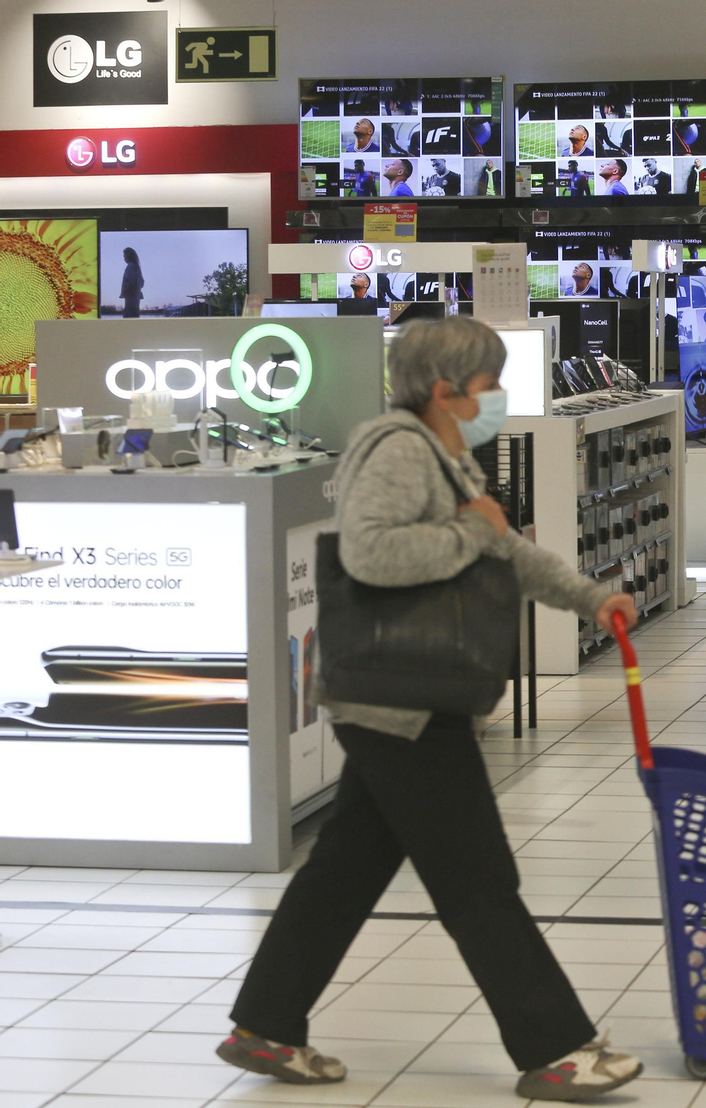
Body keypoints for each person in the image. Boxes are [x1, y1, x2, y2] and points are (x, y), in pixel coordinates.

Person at [217, 317, 643, 1102]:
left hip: (400, 697)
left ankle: (265, 1025)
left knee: (342, 874)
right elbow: (368, 554)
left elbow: (506, 550)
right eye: (490, 384)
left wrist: (593, 599)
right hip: (401, 698)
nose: (498, 399)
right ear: (447, 390)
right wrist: (465, 533)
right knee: (478, 878)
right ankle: (556, 1049)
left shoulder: (446, 456)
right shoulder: (398, 448)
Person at [118, 247, 144, 318]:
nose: (124, 258)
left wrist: (126, 291)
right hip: (136, 297)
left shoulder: (130, 267)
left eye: (125, 256)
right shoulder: (137, 267)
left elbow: (130, 282)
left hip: (130, 297)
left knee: (129, 317)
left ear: (128, 256)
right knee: (133, 316)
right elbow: (142, 283)